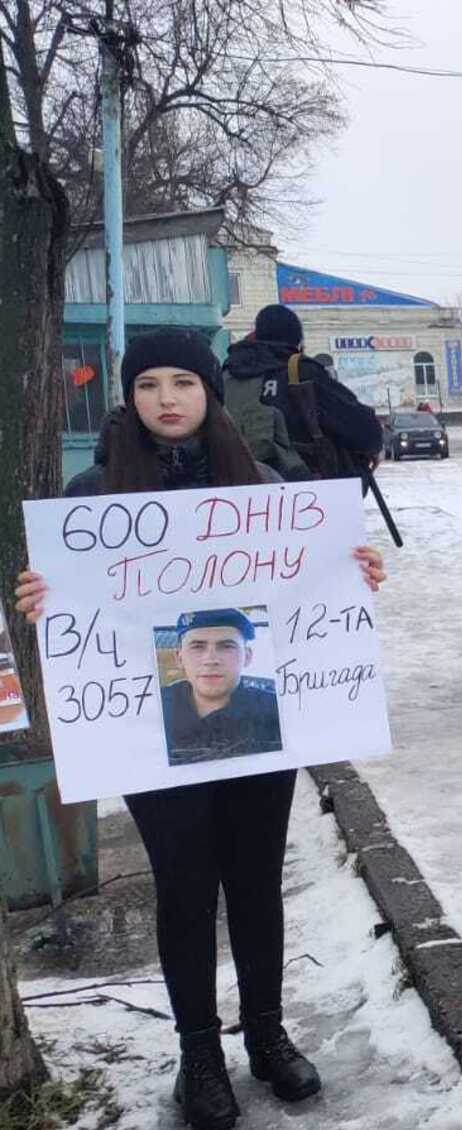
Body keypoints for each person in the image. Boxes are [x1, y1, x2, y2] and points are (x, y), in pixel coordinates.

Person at [14, 329, 387, 1130]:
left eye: (184, 381)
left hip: (258, 719)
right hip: (152, 731)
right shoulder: (94, 494)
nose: (167, 399)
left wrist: (352, 573)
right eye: (149, 385)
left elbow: (311, 578)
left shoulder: (261, 481)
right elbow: (79, 599)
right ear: (129, 396)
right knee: (186, 887)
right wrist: (45, 598)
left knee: (255, 879)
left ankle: (266, 1033)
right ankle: (199, 1054)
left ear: (209, 390)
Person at [222, 303, 383, 479]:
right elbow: (365, 431)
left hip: (235, 489)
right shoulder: (300, 372)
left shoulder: (226, 375)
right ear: (296, 340)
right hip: (305, 491)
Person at [161, 610, 284, 766]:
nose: (211, 660)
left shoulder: (275, 710)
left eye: (226, 646)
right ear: (179, 658)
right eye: (198, 647)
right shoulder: (155, 707)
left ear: (247, 657)